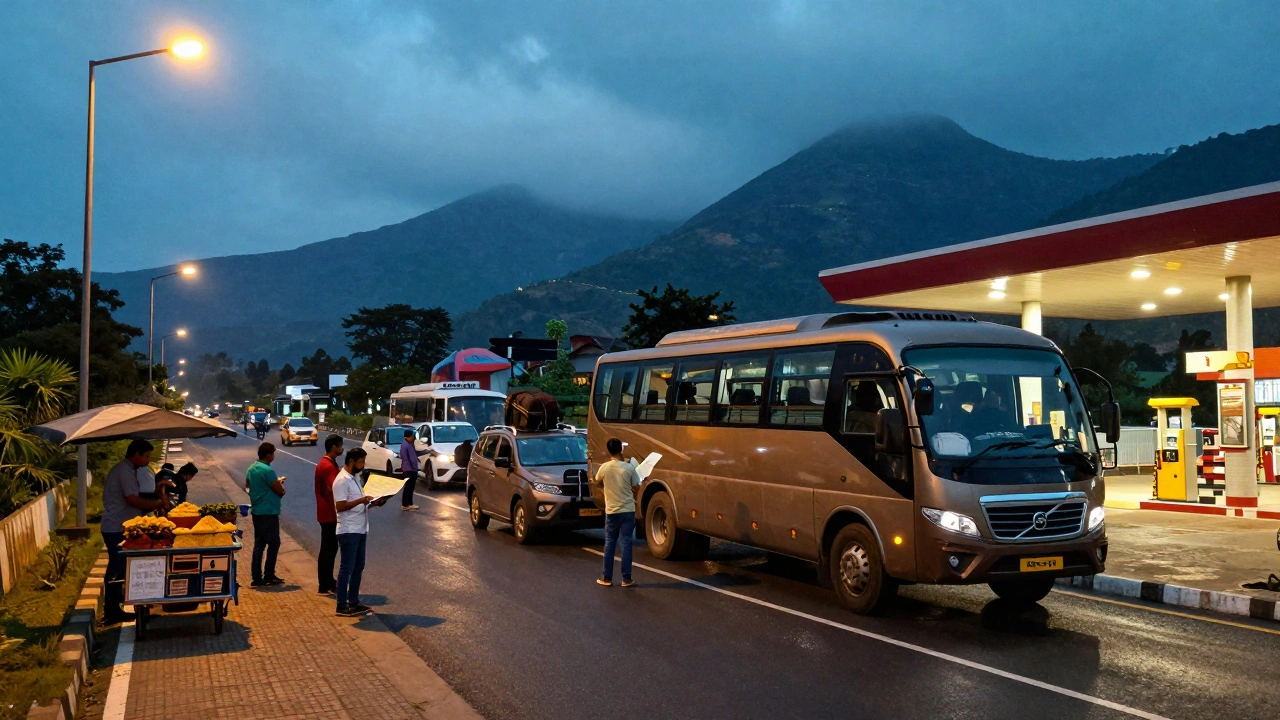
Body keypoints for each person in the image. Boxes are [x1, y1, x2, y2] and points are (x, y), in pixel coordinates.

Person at [101, 440, 170, 624]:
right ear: (136, 455)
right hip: (116, 526)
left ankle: (116, 607)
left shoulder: (131, 470)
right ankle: (112, 611)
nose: (148, 460)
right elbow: (132, 499)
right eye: (146, 456)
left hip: (120, 525)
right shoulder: (124, 471)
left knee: (121, 567)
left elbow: (140, 495)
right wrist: (157, 504)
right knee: (117, 568)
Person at [332, 448, 387, 616]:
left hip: (361, 528)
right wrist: (361, 500)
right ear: (351, 461)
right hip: (348, 530)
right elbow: (340, 507)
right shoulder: (341, 480)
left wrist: (373, 503)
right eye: (361, 462)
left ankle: (354, 602)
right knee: (346, 568)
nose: (363, 465)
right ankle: (341, 605)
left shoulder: (355, 478)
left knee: (358, 567)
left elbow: (360, 504)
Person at [596, 437, 640, 588]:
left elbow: (597, 481)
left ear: (608, 450)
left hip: (612, 510)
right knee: (626, 543)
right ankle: (626, 579)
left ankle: (607, 578)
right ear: (621, 449)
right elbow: (636, 485)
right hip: (628, 510)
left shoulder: (605, 467)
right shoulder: (629, 468)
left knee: (610, 542)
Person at [246, 442, 286, 587]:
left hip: (257, 510)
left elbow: (248, 487)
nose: (273, 456)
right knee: (274, 543)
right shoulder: (267, 470)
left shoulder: (251, 468)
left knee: (259, 544)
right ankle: (269, 575)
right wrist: (280, 484)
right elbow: (280, 491)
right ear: (269, 455)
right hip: (269, 511)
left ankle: (256, 577)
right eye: (273, 453)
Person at [314, 434, 344, 596]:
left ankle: (327, 581)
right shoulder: (327, 466)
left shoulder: (328, 463)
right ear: (334, 447)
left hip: (326, 512)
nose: (342, 448)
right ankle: (324, 584)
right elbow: (336, 487)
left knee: (328, 548)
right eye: (340, 445)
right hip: (329, 513)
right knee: (328, 549)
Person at [399, 428, 420, 511]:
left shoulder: (409, 443)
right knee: (408, 487)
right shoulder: (406, 445)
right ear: (409, 436)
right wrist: (416, 468)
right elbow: (411, 458)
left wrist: (426, 451)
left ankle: (410, 503)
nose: (414, 437)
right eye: (412, 436)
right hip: (409, 469)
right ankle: (405, 505)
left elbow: (415, 453)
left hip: (410, 468)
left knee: (410, 487)